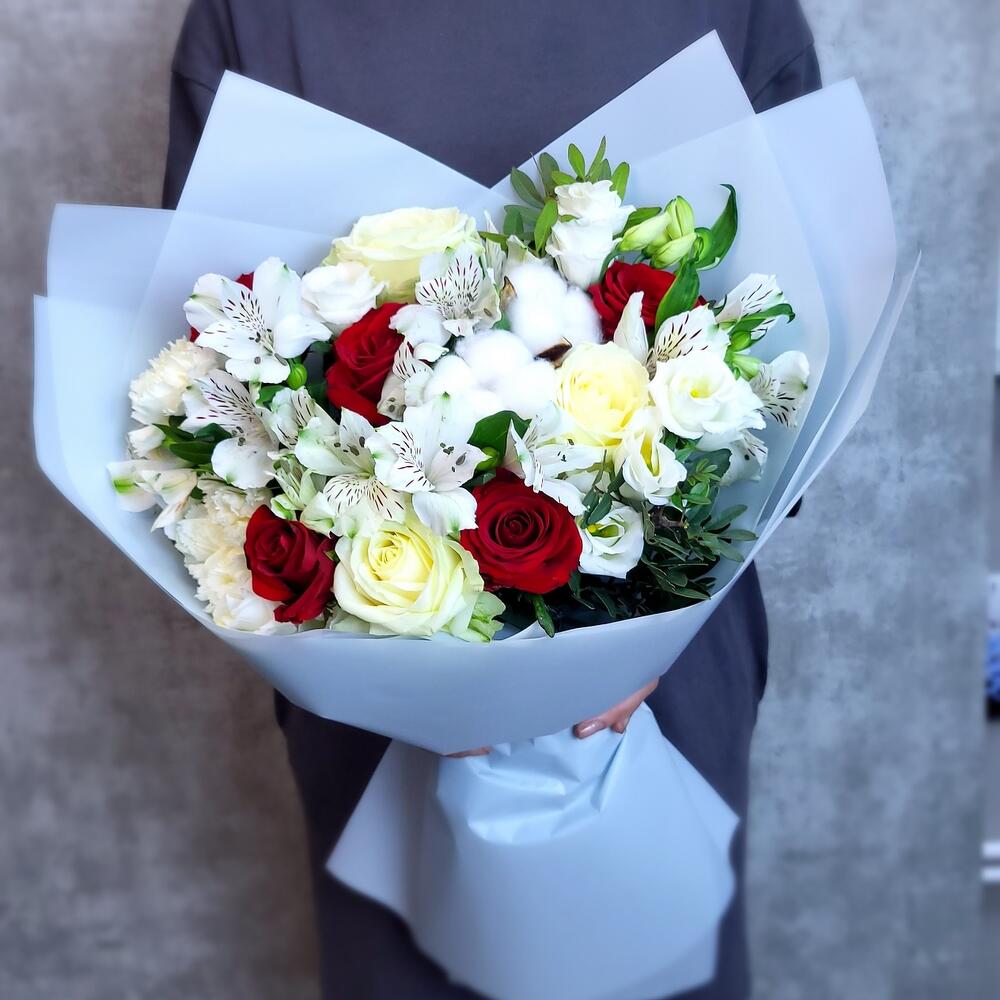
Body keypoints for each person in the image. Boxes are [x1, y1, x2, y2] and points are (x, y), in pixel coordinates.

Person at [163, 3, 819, 997]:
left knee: (656, 956)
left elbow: (796, 356)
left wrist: (630, 641)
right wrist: (408, 670)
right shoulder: (256, 14)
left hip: (661, 663)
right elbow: (203, 364)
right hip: (367, 645)